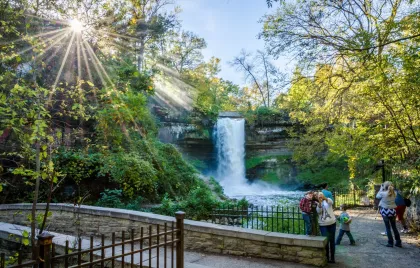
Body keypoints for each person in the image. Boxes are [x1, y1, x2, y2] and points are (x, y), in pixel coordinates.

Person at [376, 181, 402, 247]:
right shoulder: (394, 193)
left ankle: (390, 242)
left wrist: (381, 188)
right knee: (394, 227)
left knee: (388, 228)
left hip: (385, 211)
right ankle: (398, 242)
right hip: (392, 211)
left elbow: (377, 196)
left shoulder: (382, 193)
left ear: (385, 186)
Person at [317, 192, 336, 263]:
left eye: (321, 194)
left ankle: (333, 258)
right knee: (326, 241)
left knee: (332, 240)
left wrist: (324, 198)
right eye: (319, 195)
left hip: (332, 223)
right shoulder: (317, 203)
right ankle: (327, 257)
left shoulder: (328, 200)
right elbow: (318, 211)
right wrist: (319, 202)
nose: (320, 196)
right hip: (323, 225)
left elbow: (331, 202)